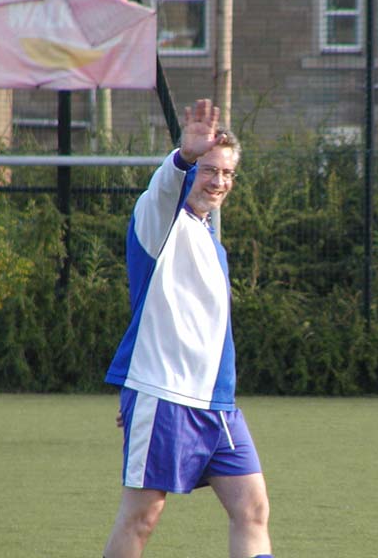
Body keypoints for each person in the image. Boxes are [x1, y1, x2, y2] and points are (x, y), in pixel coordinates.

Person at [102, 98, 273, 558]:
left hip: (218, 404)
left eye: (228, 173)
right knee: (142, 518)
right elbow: (165, 187)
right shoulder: (159, 220)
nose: (219, 181)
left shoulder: (209, 236)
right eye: (209, 170)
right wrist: (184, 156)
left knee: (252, 509)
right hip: (165, 396)